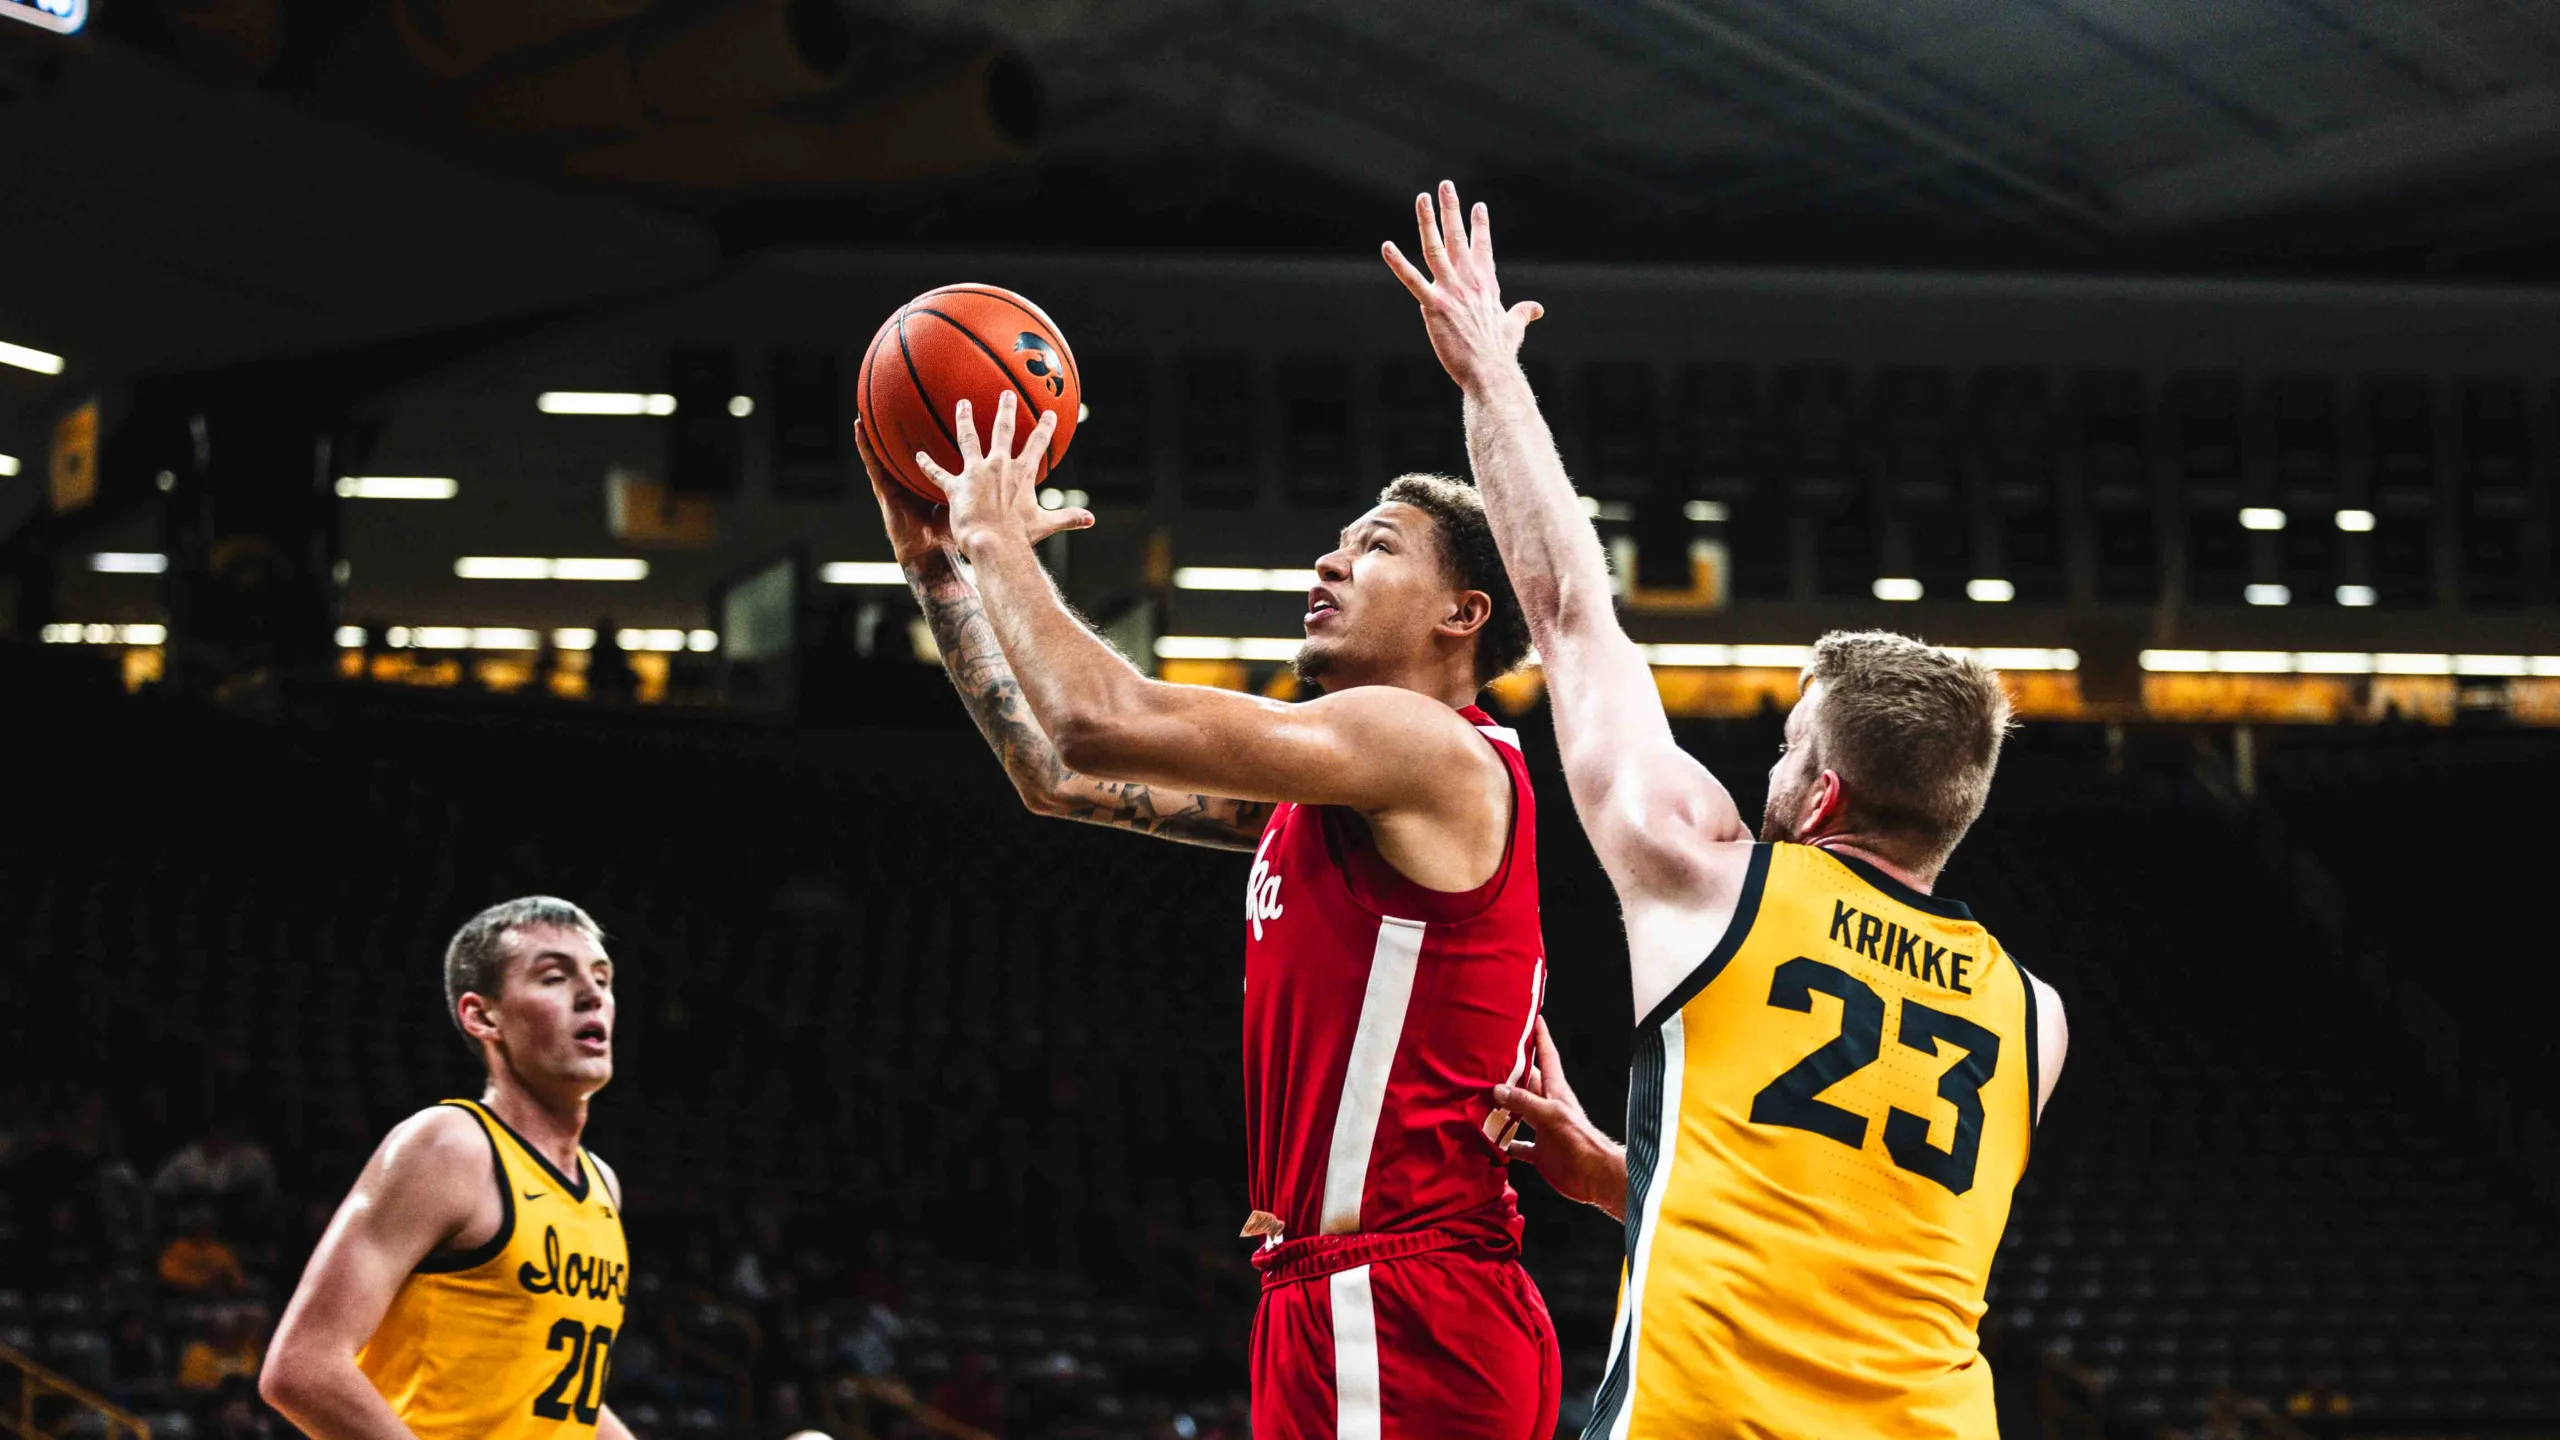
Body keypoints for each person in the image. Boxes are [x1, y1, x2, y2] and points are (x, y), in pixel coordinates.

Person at [1384, 182, 2070, 1439]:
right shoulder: (2035, 1017)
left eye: (1786, 748)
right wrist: (1616, 1177)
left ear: (1821, 792)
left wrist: (1491, 373)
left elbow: (1569, 614)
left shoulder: (1712, 881)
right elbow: (1850, 1219)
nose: (1765, 774)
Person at [861, 396, 1560, 1440]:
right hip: (1347, 1291)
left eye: (1371, 549)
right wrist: (938, 570)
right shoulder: (1347, 788)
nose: (1326, 566)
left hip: (1404, 1298)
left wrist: (997, 537)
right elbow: (1057, 775)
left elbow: (1102, 721)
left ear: (1458, 615)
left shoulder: (1421, 743)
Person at [261, 897, 633, 1440]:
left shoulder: (601, 1185)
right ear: (483, 1016)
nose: (592, 994)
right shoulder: (450, 1147)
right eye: (555, 977)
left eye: (603, 977)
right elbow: (303, 1367)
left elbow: (552, 1400)